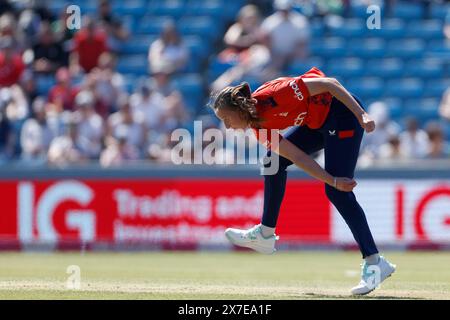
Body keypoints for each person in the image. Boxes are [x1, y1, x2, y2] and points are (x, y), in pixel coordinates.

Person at [210, 67, 396, 295]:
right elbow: (296, 156)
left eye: (227, 119)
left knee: (337, 193)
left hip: (343, 114)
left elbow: (330, 84)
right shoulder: (258, 128)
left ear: (239, 110)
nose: (227, 126)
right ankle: (265, 234)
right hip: (317, 122)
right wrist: (331, 179)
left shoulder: (276, 94)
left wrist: (361, 115)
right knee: (273, 162)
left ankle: (374, 262)